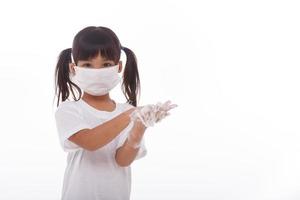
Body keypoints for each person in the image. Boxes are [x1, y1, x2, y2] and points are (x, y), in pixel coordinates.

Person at [53, 26, 177, 200]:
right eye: (88, 65)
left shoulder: (126, 111)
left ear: (119, 66)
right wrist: (132, 115)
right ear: (74, 68)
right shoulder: (69, 110)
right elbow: (90, 142)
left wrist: (139, 127)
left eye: (106, 65)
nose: (97, 72)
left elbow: (123, 160)